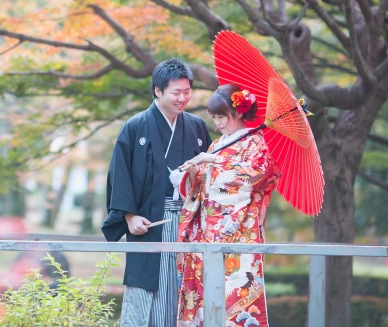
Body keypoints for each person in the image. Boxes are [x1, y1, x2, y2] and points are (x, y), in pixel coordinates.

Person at [102, 58, 212, 327]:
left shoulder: (197, 126)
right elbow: (119, 175)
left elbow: (210, 176)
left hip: (188, 221)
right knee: (145, 290)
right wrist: (129, 217)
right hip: (149, 220)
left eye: (187, 92)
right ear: (158, 91)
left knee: (183, 287)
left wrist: (195, 175)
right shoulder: (135, 126)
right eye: (176, 92)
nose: (182, 98)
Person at [176, 83, 281, 327]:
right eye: (214, 117)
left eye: (222, 117)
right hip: (206, 232)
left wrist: (214, 161)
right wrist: (194, 172)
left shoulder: (255, 143)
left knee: (236, 293)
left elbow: (254, 177)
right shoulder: (216, 144)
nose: (218, 123)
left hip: (239, 231)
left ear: (239, 111)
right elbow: (202, 188)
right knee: (203, 294)